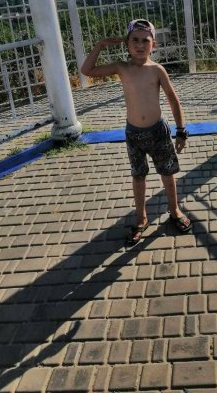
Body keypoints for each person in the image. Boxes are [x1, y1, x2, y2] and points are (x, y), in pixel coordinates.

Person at [81, 18, 191, 245]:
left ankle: (174, 210)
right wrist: (100, 45)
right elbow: (87, 70)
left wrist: (181, 130)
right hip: (133, 134)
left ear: (154, 44)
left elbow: (173, 100)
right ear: (127, 43)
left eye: (145, 41)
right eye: (135, 40)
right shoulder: (122, 68)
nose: (140, 45)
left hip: (158, 132)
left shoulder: (157, 70)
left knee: (167, 173)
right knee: (138, 175)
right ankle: (141, 218)